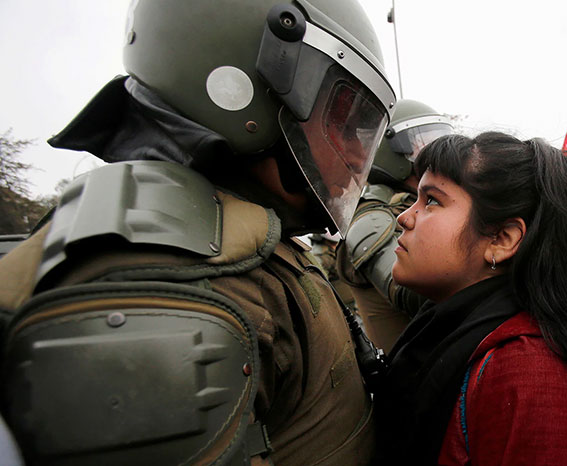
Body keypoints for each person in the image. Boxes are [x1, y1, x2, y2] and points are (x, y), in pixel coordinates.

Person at [0, 1, 395, 464]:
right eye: (341, 119)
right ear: (242, 87)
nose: (352, 150)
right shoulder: (164, 277)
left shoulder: (247, 233)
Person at [374, 133, 567, 465]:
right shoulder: (460, 332)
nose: (405, 217)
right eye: (415, 198)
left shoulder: (526, 372)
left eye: (432, 201)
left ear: (502, 239)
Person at [335, 99, 454, 352]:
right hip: (413, 380)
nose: (435, 156)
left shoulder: (417, 204)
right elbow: (411, 291)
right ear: (390, 149)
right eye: (421, 144)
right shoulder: (371, 219)